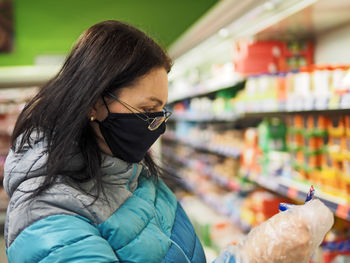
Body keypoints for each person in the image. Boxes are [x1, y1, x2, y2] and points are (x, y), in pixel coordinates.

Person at [3, 20, 333, 263]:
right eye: (147, 109)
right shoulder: (47, 214)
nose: (157, 124)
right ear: (93, 102)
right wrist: (256, 257)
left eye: (161, 109)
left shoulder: (129, 171)